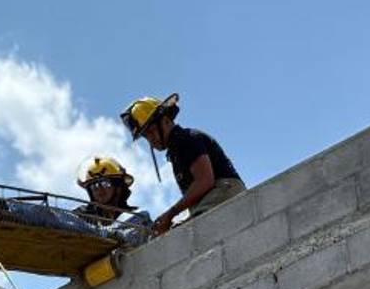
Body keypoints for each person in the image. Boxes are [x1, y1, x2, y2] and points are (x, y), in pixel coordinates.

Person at [120, 93, 244, 234]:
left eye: (152, 131)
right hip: (210, 201)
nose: (151, 139)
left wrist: (171, 214)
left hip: (224, 194)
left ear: (166, 121)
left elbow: (205, 181)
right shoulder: (176, 150)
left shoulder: (185, 139)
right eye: (146, 136)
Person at [74, 156, 152, 246]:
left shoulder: (137, 218)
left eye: (105, 183)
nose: (99, 189)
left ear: (118, 187)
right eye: (94, 186)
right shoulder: (82, 215)